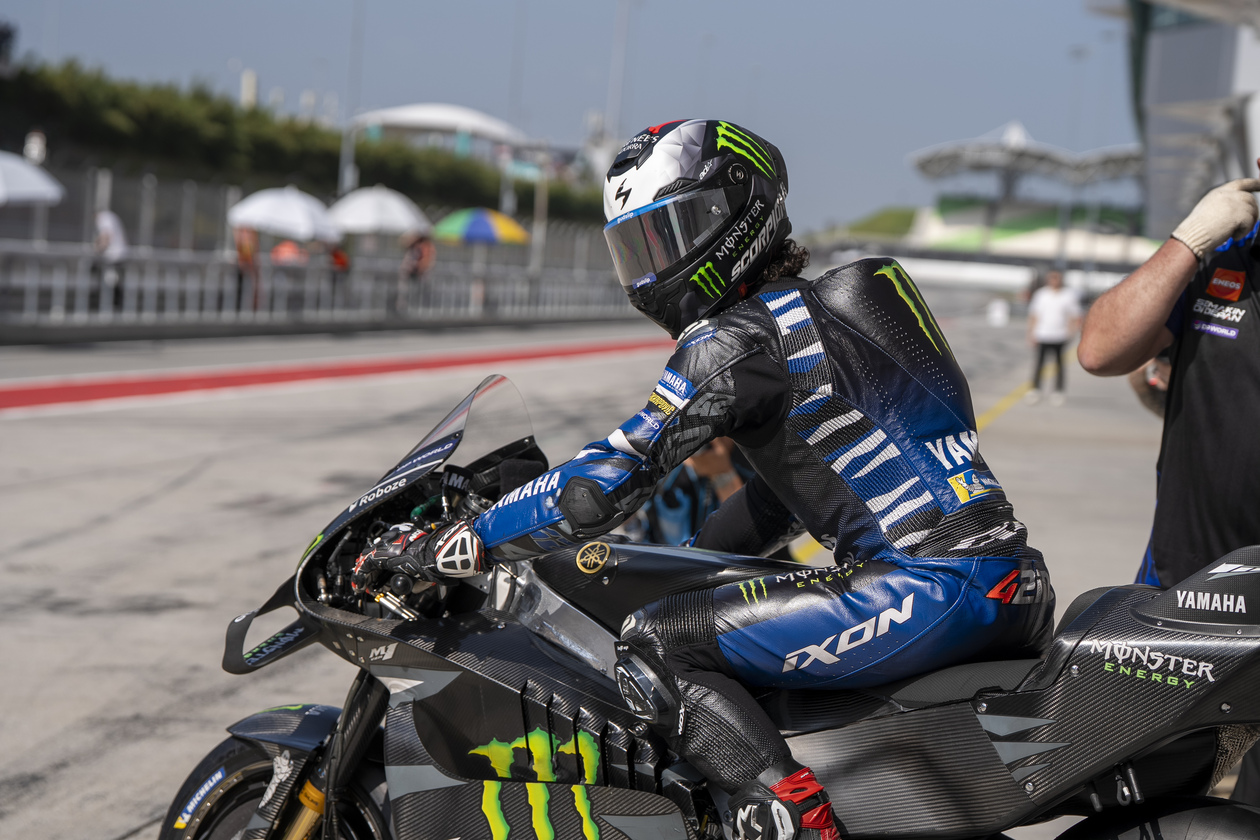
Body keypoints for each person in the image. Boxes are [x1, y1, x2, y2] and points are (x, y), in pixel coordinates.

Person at [352, 119, 1054, 840]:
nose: (651, 269)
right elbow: (789, 495)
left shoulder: (739, 339)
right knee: (705, 626)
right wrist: (678, 565)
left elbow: (605, 483)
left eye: (668, 236)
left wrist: (462, 539)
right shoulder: (859, 303)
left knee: (657, 640)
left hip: (928, 588)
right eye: (637, 248)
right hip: (1011, 582)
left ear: (734, 216)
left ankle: (789, 818)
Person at [1077, 170, 1260, 804]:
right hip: (1189, 583)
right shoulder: (1225, 258)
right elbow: (1101, 350)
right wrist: (1188, 241)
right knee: (1142, 794)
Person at [1025, 269, 1081, 405]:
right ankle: (1035, 389)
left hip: (1060, 335)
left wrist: (1071, 332)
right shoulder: (1041, 294)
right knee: (1039, 363)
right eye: (1052, 277)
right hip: (1042, 334)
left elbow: (1075, 316)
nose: (1054, 280)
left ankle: (1058, 391)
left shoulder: (1068, 295)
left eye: (1057, 278)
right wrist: (1031, 333)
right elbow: (1034, 315)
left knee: (1059, 365)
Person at [94, 208, 128, 314]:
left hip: (113, 256)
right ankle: (115, 305)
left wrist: (98, 249)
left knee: (109, 280)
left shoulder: (103, 218)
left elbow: (106, 236)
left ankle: (111, 304)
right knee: (114, 281)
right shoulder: (112, 216)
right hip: (119, 254)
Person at [397, 232, 436, 315]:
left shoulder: (426, 246)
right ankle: (403, 307)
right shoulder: (414, 245)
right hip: (410, 273)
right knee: (405, 291)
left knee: (418, 293)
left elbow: (426, 261)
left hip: (419, 274)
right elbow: (403, 244)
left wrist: (419, 270)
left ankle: (416, 309)